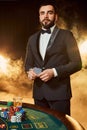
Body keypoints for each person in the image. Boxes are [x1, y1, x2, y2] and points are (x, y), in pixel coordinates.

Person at [25, 1, 82, 115]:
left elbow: (77, 63)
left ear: (56, 17)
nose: (45, 16)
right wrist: (33, 72)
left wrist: (54, 72)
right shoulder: (32, 38)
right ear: (39, 16)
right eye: (42, 13)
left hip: (59, 95)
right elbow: (28, 65)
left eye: (49, 13)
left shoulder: (66, 35)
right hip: (39, 95)